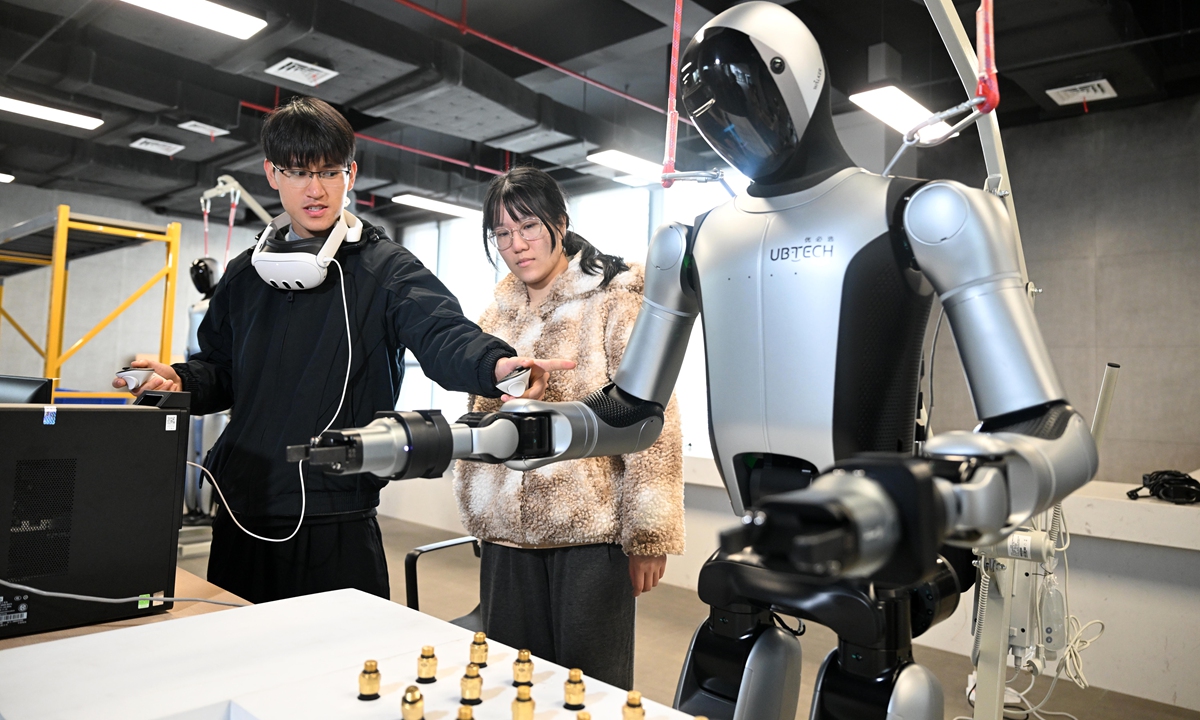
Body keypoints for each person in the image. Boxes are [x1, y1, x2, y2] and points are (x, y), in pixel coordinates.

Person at [114, 98, 572, 604]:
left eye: (330, 171)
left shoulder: (385, 269)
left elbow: (444, 333)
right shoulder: (245, 276)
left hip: (337, 515)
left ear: (350, 174)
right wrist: (179, 382)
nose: (316, 189)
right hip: (242, 508)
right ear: (271, 173)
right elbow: (219, 368)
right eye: (298, 173)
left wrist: (495, 365)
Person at [454, 167, 685, 689]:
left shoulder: (612, 299)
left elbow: (655, 416)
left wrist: (648, 534)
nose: (516, 245)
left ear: (560, 222)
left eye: (529, 227)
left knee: (590, 687)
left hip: (589, 531)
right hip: (506, 536)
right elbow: (485, 414)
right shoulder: (499, 312)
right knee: (515, 684)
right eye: (502, 233)